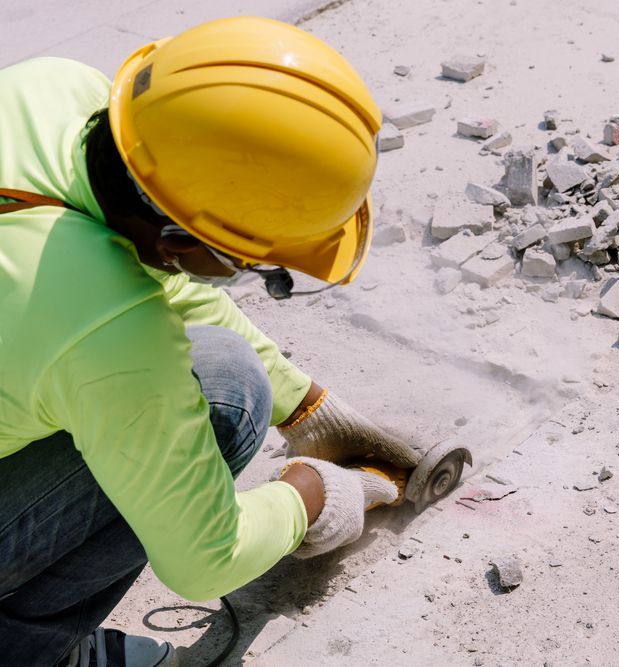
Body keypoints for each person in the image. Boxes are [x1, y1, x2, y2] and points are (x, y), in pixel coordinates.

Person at [0, 16, 421, 667]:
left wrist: (309, 407)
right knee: (228, 394)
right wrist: (314, 494)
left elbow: (149, 265)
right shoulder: (106, 337)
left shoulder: (55, 92)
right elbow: (204, 559)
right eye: (251, 265)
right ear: (178, 242)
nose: (247, 278)